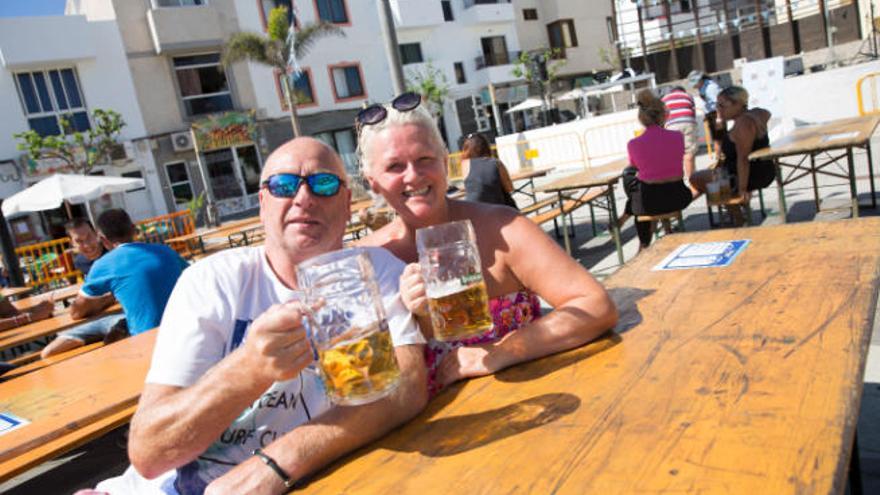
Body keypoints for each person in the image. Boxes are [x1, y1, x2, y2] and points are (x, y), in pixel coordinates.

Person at [90, 138, 426, 494]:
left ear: (347, 204)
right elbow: (150, 452)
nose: (303, 198)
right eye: (283, 185)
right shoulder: (212, 282)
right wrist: (250, 367)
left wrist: (279, 462)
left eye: (324, 183)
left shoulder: (374, 272)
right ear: (262, 204)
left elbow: (407, 386)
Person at [355, 93, 618, 396]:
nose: (413, 175)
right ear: (372, 181)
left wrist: (503, 351)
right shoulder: (366, 262)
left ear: (445, 162)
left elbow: (596, 306)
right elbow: (365, 382)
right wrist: (411, 318)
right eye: (394, 167)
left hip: (537, 408)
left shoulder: (503, 228)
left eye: (424, 159)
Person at [41, 209, 187, 358]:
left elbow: (76, 312)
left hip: (145, 338)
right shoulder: (165, 251)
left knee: (53, 349)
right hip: (183, 328)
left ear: (102, 239)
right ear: (134, 229)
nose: (86, 244)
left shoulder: (104, 264)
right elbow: (191, 275)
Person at [689, 86, 774, 224]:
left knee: (697, 178)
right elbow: (767, 113)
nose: (718, 109)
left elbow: (743, 159)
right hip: (764, 169)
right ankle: (675, 207)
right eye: (717, 105)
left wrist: (742, 189)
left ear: (738, 104)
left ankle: (737, 216)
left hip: (748, 175)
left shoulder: (743, 124)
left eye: (722, 105)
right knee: (704, 181)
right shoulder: (755, 114)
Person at [622, 90, 693, 250]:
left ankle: (644, 245)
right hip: (678, 196)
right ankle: (665, 230)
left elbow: (635, 167)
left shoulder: (633, 144)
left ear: (641, 118)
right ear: (663, 115)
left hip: (650, 201)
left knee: (633, 186)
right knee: (641, 192)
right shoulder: (677, 136)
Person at [460, 133, 517, 209]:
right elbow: (510, 188)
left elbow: (470, 186)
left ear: (466, 149)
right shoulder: (496, 163)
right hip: (498, 211)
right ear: (486, 147)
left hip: (473, 211)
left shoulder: (464, 164)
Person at [662, 86, 699, 195]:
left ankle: (678, 182)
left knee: (674, 155)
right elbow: (693, 113)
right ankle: (692, 182)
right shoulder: (688, 96)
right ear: (682, 91)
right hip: (687, 122)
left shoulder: (665, 98)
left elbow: (662, 115)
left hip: (671, 124)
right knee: (688, 153)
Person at [687, 70, 723, 150]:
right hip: (711, 114)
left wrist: (719, 118)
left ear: (700, 80)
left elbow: (718, 103)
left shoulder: (711, 88)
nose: (694, 86)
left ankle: (722, 157)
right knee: (716, 139)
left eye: (695, 83)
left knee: (719, 139)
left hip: (716, 114)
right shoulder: (702, 88)